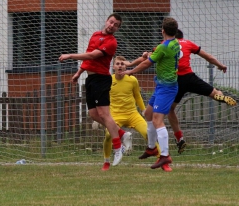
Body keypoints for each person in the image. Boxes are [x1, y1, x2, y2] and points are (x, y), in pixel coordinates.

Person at [126, 29, 237, 156]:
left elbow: (148, 59)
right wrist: (221, 65)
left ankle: (179, 138)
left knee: (171, 110)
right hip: (190, 77)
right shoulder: (188, 43)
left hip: (175, 80)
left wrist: (137, 61)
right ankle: (219, 97)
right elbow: (208, 57)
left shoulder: (164, 44)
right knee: (214, 92)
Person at [59, 13, 132, 167]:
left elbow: (93, 56)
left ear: (117, 28)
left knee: (105, 115)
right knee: (93, 114)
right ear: (107, 21)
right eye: (111, 22)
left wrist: (70, 55)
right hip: (91, 79)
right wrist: (78, 73)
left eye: (116, 25)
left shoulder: (111, 42)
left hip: (101, 79)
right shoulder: (95, 35)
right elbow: (88, 57)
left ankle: (118, 148)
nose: (112, 25)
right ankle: (123, 134)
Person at [120, 17, 180, 170]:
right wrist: (152, 53)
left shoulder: (163, 47)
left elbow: (147, 63)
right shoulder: (175, 43)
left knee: (157, 120)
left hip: (167, 87)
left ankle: (165, 156)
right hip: (162, 86)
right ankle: (151, 148)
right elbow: (160, 53)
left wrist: (131, 71)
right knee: (148, 113)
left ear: (163, 31)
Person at [101, 55, 172, 172]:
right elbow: (103, 99)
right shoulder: (108, 80)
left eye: (122, 64)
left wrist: (144, 109)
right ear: (113, 67)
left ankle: (162, 161)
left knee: (148, 133)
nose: (120, 66)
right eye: (117, 64)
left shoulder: (132, 80)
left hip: (132, 114)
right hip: (115, 115)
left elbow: (137, 96)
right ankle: (106, 162)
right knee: (108, 135)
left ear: (126, 66)